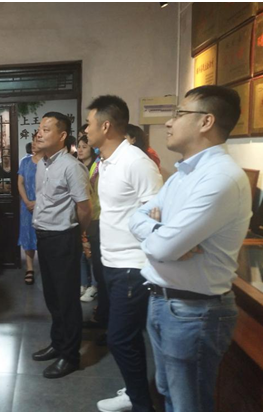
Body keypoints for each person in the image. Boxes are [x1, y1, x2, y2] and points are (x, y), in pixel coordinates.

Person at [129, 85, 251, 412]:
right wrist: (162, 233)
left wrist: (162, 238)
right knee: (168, 394)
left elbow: (162, 247)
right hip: (165, 301)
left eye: (179, 113)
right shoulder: (183, 174)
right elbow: (136, 218)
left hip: (195, 312)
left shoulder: (220, 178)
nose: (169, 122)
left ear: (206, 121)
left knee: (188, 404)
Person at [85, 95, 163, 412]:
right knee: (125, 338)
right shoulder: (106, 161)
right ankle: (135, 392)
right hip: (111, 262)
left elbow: (157, 213)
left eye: (89, 124)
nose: (85, 130)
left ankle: (141, 403)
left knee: (119, 339)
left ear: (106, 126)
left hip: (133, 265)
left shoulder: (136, 161)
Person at [32, 112, 92, 379]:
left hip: (63, 238)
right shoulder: (41, 164)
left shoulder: (72, 166)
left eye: (46, 129)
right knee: (52, 297)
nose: (39, 133)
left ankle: (70, 356)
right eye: (39, 129)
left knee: (67, 299)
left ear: (62, 135)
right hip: (44, 236)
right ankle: (57, 343)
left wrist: (78, 234)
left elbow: (84, 208)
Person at [17, 134, 43, 285]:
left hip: (44, 205)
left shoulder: (48, 162)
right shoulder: (25, 162)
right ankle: (29, 268)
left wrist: (38, 202)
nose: (34, 143)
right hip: (26, 205)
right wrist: (27, 201)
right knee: (27, 235)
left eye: (37, 141)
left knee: (43, 235)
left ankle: (45, 267)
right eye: (33, 141)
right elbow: (20, 183)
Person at [77, 131, 99, 302]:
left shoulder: (97, 167)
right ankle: (83, 283)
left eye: (84, 147)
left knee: (91, 253)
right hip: (80, 214)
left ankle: (95, 286)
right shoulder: (77, 166)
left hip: (94, 214)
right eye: (78, 147)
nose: (80, 150)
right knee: (81, 252)